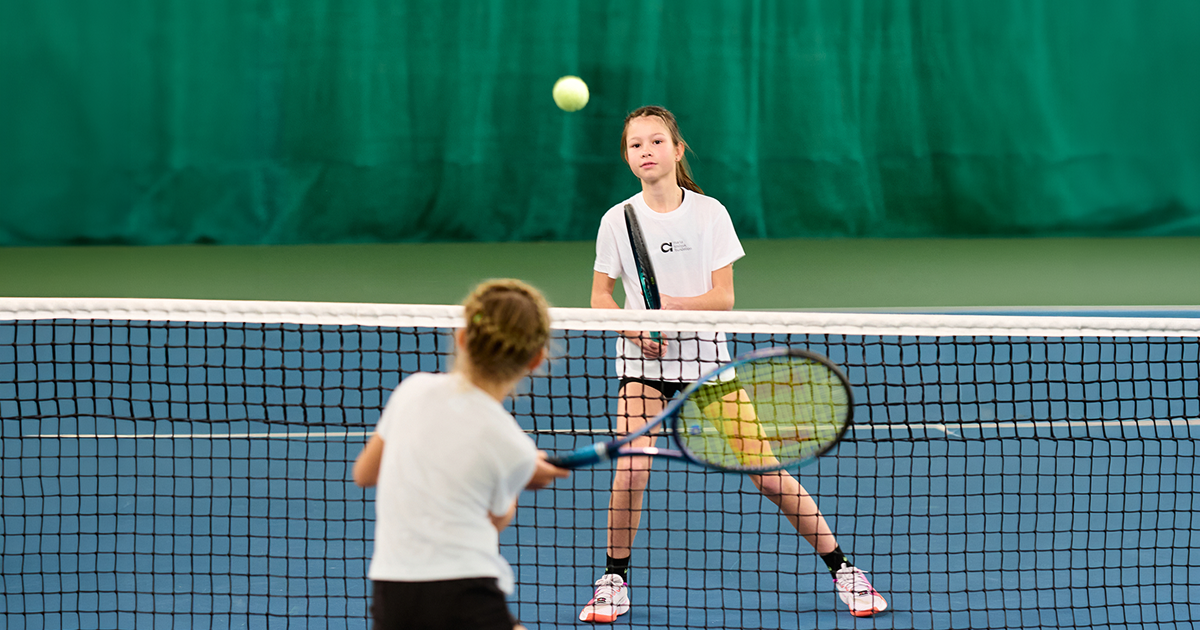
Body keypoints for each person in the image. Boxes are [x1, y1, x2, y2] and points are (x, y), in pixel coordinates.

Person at [580, 105, 887, 622]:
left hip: (706, 365)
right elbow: (599, 297)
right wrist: (634, 331)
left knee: (768, 476)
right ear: (627, 157)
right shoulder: (618, 220)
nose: (646, 151)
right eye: (636, 145)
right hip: (643, 368)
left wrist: (676, 308)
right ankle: (613, 580)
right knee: (631, 470)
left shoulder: (709, 213)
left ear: (677, 150)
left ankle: (844, 569)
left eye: (657, 141)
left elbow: (724, 297)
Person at [353, 278, 571, 630]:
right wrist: (520, 476)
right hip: (464, 593)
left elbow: (364, 474)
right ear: (536, 359)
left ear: (462, 337)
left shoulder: (412, 391)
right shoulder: (512, 445)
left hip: (392, 594)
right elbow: (495, 522)